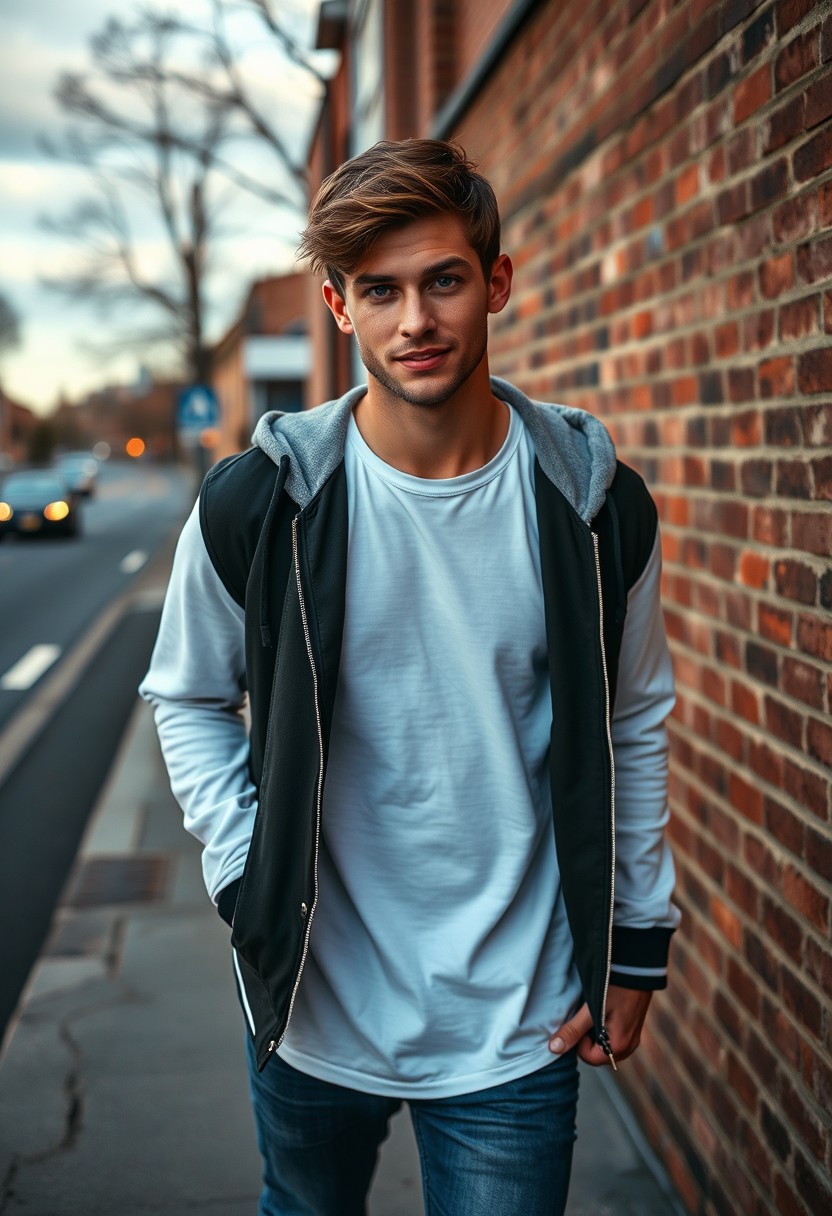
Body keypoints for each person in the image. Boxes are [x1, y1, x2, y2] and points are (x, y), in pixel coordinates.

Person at [140, 138, 680, 1216]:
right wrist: (246, 876)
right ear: (338, 308)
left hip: (516, 1019)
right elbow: (188, 694)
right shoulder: (259, 504)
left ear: (497, 283)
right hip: (310, 1004)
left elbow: (633, 720)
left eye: (441, 280)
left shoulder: (590, 508)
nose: (415, 322)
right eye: (378, 292)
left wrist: (633, 942)